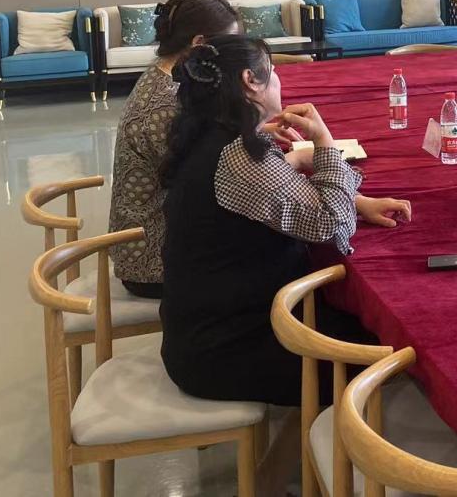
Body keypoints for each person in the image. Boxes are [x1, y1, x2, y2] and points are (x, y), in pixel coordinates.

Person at [160, 35, 410, 410]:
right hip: (229, 349)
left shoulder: (208, 133)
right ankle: (354, 438)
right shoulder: (239, 156)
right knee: (393, 342)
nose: (278, 80)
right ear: (250, 81)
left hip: (202, 332)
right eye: (273, 72)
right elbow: (333, 226)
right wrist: (324, 141)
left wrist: (355, 200)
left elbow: (281, 197)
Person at [108, 0, 242, 298]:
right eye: (227, 44)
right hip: (153, 261)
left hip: (154, 241)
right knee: (272, 253)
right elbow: (214, 178)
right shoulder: (163, 104)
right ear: (199, 43)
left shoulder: (165, 77)